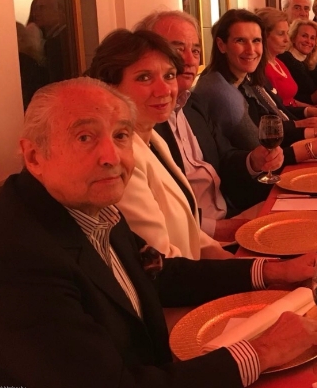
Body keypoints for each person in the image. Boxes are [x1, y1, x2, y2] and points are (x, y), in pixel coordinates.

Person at [0, 79, 317, 388]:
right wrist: (264, 351)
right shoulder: (19, 258)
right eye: (85, 137)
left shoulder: (89, 205)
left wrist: (274, 271)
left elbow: (158, 273)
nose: (111, 157)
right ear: (34, 156)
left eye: (121, 135)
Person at [86, 29, 233, 259]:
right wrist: (253, 272)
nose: (165, 90)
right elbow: (162, 258)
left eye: (169, 75)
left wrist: (235, 262)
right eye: (144, 77)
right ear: (110, 86)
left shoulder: (154, 138)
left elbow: (189, 231)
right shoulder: (116, 159)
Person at [136, 11, 279, 237]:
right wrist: (225, 230)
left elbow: (225, 156)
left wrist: (253, 160)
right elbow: (160, 213)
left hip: (231, 213)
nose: (190, 60)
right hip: (199, 237)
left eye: (195, 51)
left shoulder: (192, 105)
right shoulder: (142, 123)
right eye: (177, 49)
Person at [193, 9, 317, 165]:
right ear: (221, 45)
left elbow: (275, 127)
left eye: (256, 41)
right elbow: (264, 153)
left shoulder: (242, 78)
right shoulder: (220, 90)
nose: (251, 50)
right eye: (240, 41)